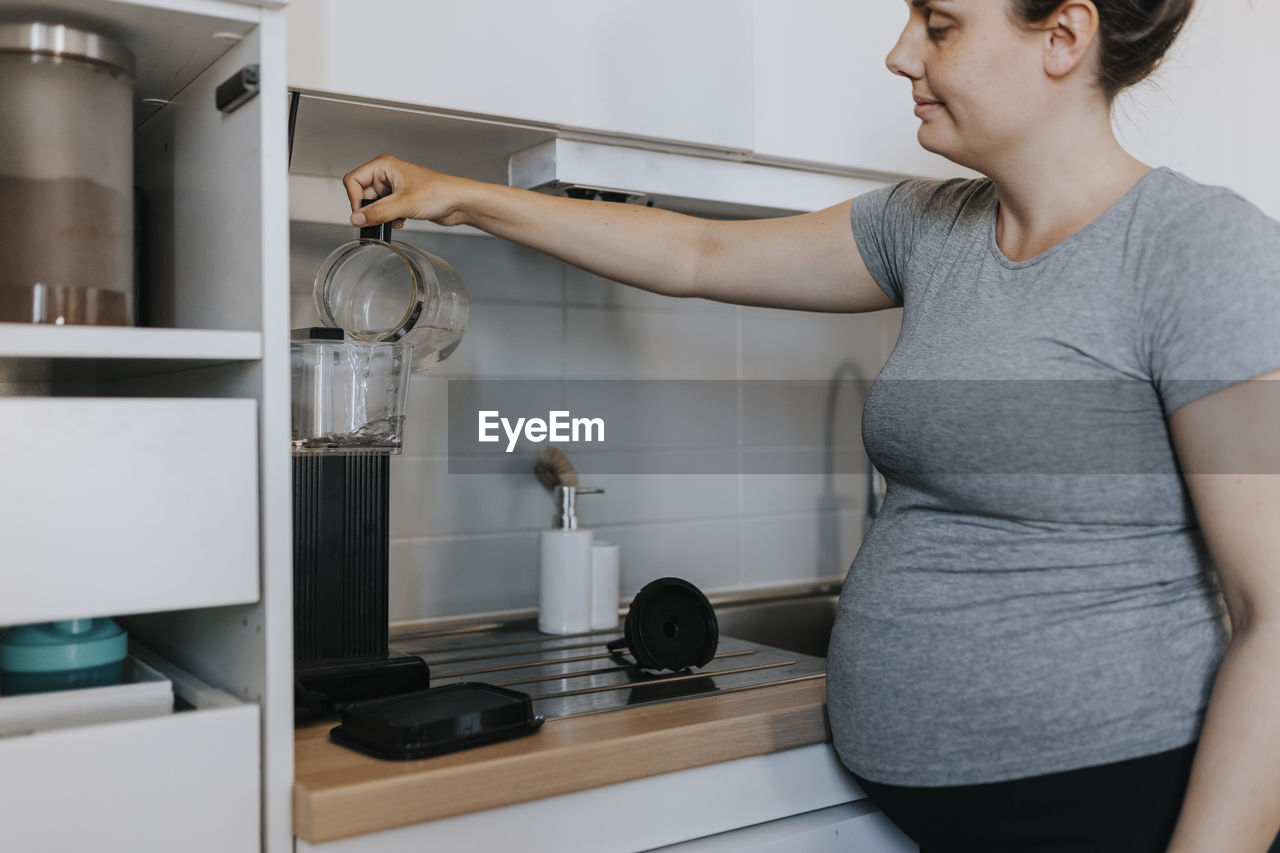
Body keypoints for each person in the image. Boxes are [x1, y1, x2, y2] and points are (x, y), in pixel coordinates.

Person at [341, 1, 1280, 849]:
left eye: (939, 24)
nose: (898, 53)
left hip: (1110, 804)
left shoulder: (1195, 248)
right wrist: (459, 196)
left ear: (1064, 37)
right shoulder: (932, 229)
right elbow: (701, 252)